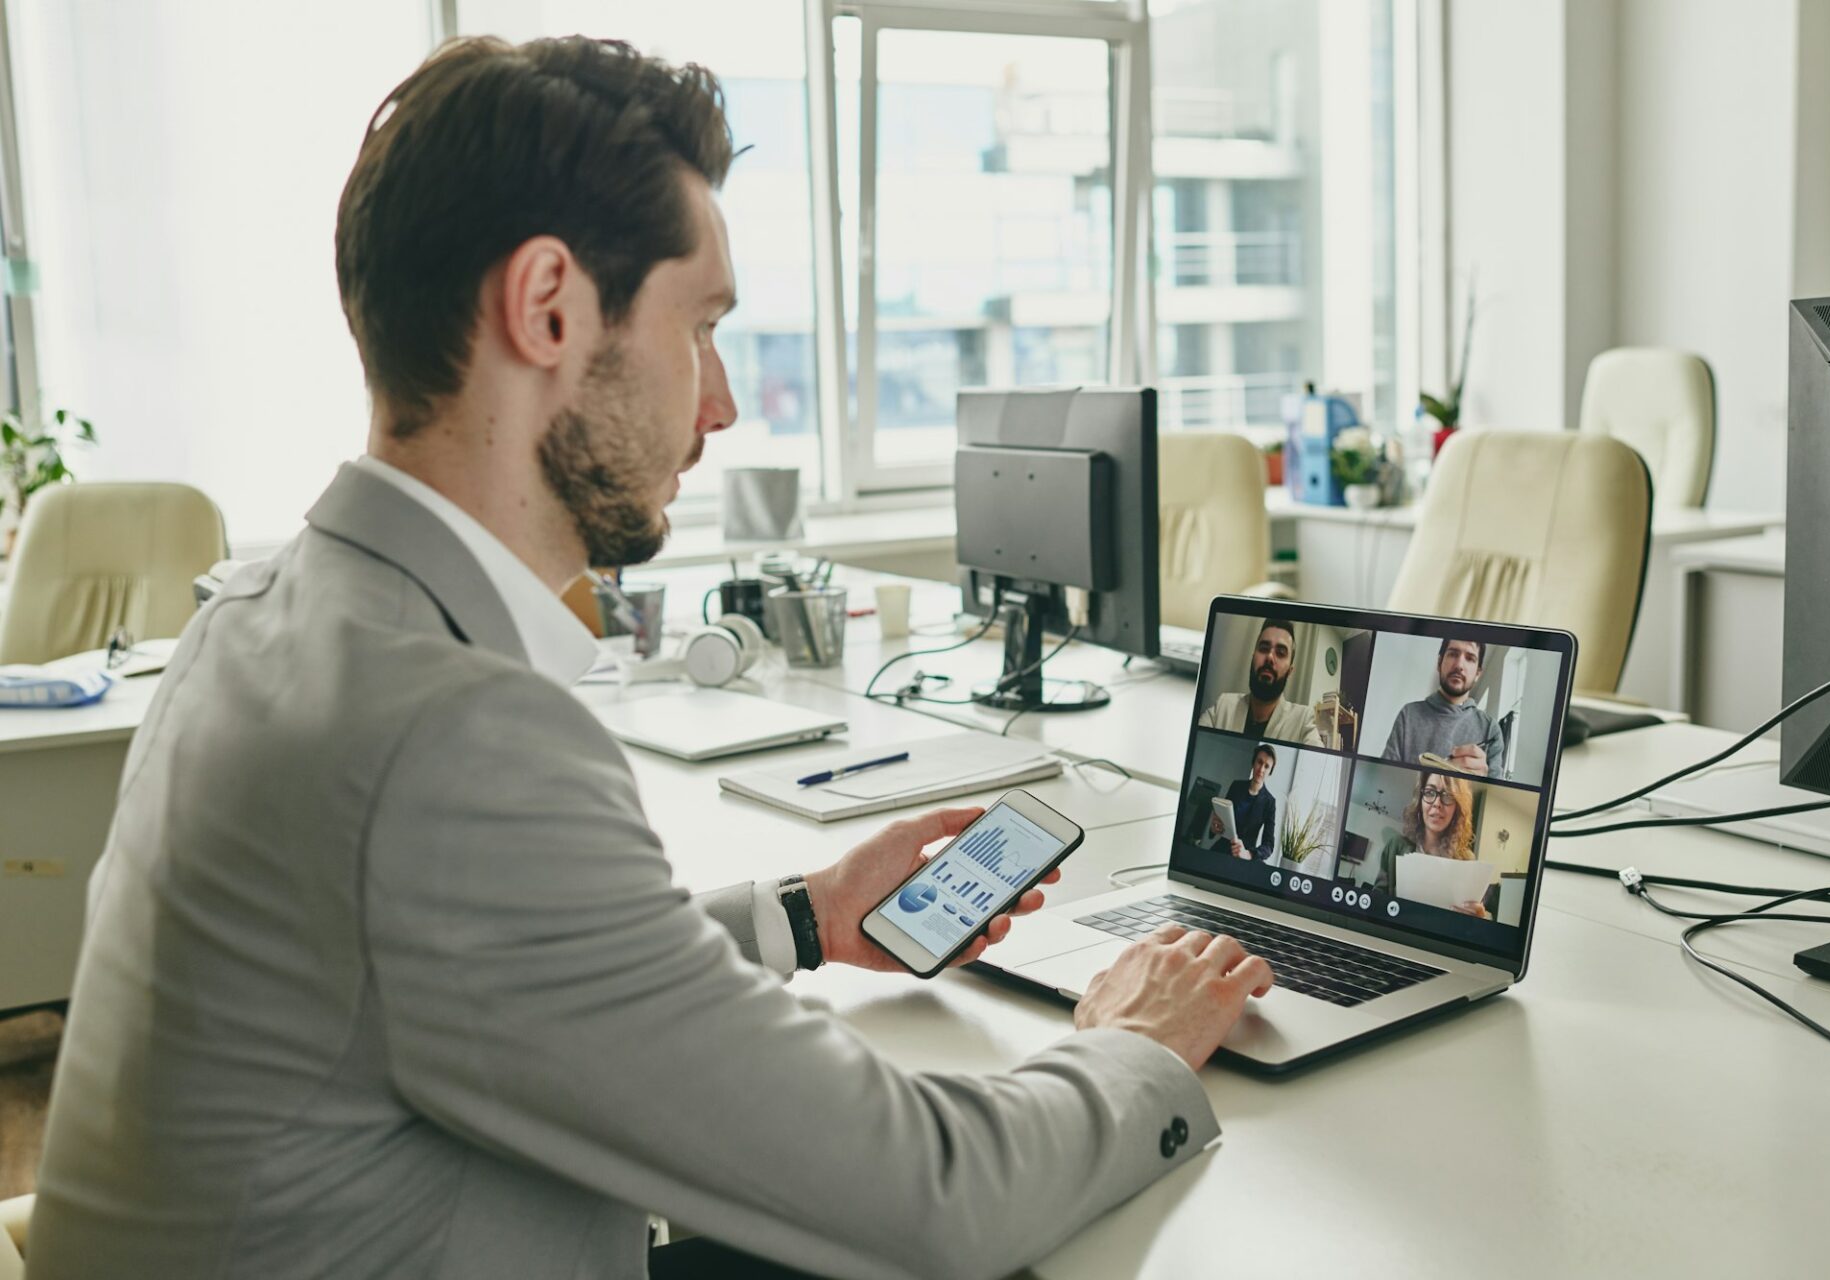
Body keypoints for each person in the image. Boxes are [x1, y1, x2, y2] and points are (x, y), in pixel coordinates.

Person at [26, 37, 1276, 1280]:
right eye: (702, 328)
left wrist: (804, 915)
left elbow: (471, 962)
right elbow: (934, 1197)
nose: (721, 402)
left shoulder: (256, 621)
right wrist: (1135, 1044)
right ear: (550, 307)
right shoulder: (451, 738)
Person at [1197, 617, 1353, 746]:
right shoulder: (1223, 706)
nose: (1270, 657)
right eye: (1264, 648)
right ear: (1253, 658)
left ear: (1290, 671)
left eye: (1280, 652)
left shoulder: (1303, 720)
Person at [1362, 772, 1492, 918]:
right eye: (1430, 792)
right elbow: (1374, 905)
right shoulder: (1396, 846)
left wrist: (1478, 919)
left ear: (1457, 807)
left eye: (1448, 795)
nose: (1437, 803)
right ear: (1420, 801)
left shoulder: (1467, 860)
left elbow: (1467, 925)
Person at [1378, 637, 1507, 778]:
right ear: (1439, 662)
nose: (1459, 665)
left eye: (1470, 658)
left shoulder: (1491, 729)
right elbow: (1383, 776)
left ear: (1477, 674)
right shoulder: (1408, 714)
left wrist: (1483, 781)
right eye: (1453, 654)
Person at [1207, 744, 1279, 861]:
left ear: (1270, 772)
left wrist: (1248, 854)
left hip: (1243, 858)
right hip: (1221, 850)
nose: (1261, 770)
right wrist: (1214, 828)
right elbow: (1222, 820)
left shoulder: (1270, 802)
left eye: (1266, 766)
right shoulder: (1236, 786)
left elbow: (1269, 845)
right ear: (1253, 763)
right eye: (1259, 762)